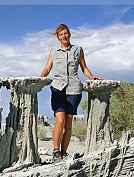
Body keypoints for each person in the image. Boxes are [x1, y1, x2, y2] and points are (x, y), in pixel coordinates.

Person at [40, 23, 103, 161]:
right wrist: (40, 78)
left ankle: (64, 152)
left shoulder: (78, 50)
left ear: (70, 34)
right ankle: (56, 151)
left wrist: (92, 77)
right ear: (58, 37)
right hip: (58, 87)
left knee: (68, 122)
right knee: (60, 120)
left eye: (66, 33)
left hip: (74, 88)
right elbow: (47, 68)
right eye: (61, 34)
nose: (64, 36)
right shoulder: (53, 52)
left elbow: (84, 67)